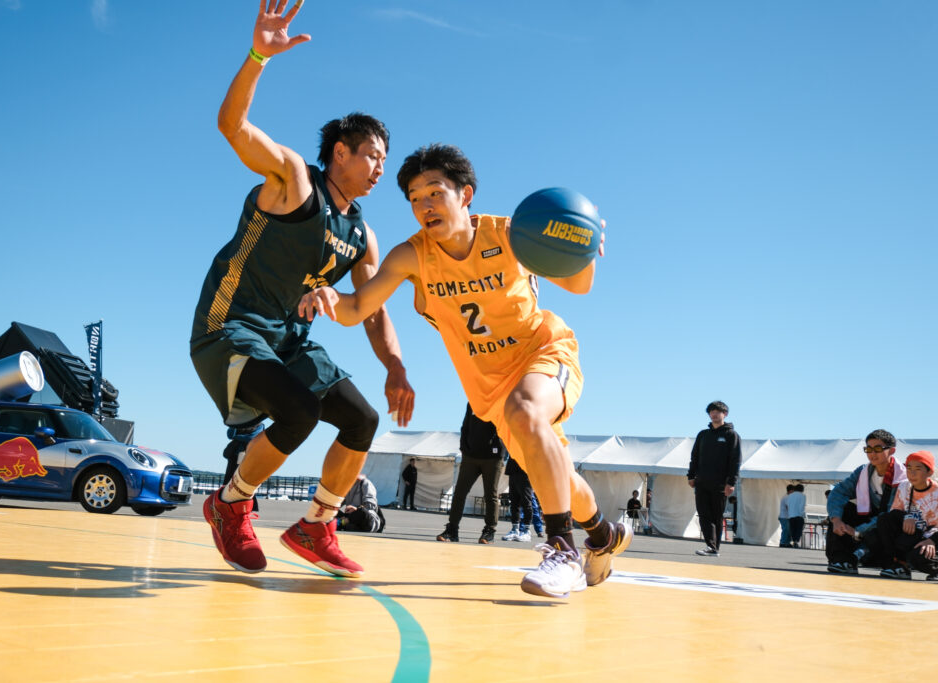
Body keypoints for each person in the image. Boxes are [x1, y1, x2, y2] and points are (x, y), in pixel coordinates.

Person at [297, 143, 631, 599]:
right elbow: (358, 307)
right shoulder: (411, 256)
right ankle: (603, 535)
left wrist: (583, 247)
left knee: (527, 410)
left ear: (465, 195)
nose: (425, 206)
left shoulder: (511, 234)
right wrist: (331, 298)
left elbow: (578, 284)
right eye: (415, 198)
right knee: (558, 478)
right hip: (489, 388)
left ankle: (562, 551)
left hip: (543, 352)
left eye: (435, 193)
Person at [190, 0, 415, 579]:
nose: (379, 169)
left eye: (384, 160)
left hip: (288, 341)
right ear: (340, 152)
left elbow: (372, 310)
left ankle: (316, 524)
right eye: (372, 156)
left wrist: (395, 367)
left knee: (362, 419)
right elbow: (232, 127)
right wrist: (258, 56)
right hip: (230, 325)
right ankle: (230, 503)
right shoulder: (292, 179)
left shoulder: (361, 233)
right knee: (300, 410)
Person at [825, 428, 907, 574]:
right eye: (868, 449)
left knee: (889, 519)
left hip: (891, 524)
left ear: (892, 450)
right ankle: (843, 561)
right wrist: (836, 519)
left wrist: (858, 531)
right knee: (844, 510)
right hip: (871, 520)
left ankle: (896, 564)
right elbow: (838, 492)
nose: (872, 453)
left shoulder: (903, 478)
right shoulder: (863, 471)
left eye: (878, 448)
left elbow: (891, 512)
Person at [436, 404, 507, 544]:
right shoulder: (472, 401)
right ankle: (452, 530)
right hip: (470, 456)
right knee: (459, 493)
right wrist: (464, 447)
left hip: (492, 457)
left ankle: (489, 531)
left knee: (490, 495)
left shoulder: (499, 400)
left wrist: (498, 448)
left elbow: (505, 427)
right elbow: (465, 427)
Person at [687, 400, 741, 557]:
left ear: (725, 414)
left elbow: (735, 461)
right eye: (711, 412)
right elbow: (694, 456)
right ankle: (711, 546)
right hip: (701, 482)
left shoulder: (731, 435)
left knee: (716, 515)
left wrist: (731, 482)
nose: (714, 414)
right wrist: (691, 475)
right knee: (703, 514)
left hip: (720, 484)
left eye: (717, 412)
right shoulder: (703, 434)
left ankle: (714, 548)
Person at [875, 451, 938, 580]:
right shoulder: (904, 486)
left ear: (929, 472)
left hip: (933, 537)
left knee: (919, 557)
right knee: (884, 520)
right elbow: (894, 513)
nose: (912, 473)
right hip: (916, 533)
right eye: (909, 468)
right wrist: (907, 516)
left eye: (918, 469)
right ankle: (900, 565)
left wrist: (933, 540)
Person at [502, 455, 535, 542]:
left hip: (526, 470)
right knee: (514, 501)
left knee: (526, 501)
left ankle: (526, 531)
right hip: (513, 468)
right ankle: (515, 529)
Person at [787, 484, 806, 548]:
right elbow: (802, 506)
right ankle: (796, 542)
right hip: (799, 515)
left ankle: (793, 541)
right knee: (798, 530)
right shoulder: (803, 496)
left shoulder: (790, 495)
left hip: (791, 515)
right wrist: (802, 514)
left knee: (793, 529)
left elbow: (788, 505)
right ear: (802, 489)